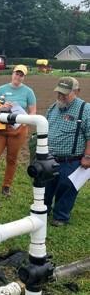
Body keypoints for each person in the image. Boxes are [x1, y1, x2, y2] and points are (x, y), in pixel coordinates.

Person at [45, 77, 90, 226]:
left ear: (76, 92)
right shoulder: (52, 108)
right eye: (59, 92)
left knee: (67, 188)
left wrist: (88, 156)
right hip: (50, 158)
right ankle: (43, 212)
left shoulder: (85, 109)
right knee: (46, 187)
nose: (61, 96)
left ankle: (61, 216)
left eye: (65, 93)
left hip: (71, 160)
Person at [0, 64, 36, 196]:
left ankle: (6, 186)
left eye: (21, 75)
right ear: (12, 73)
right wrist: (2, 107)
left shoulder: (28, 92)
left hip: (18, 130)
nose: (18, 76)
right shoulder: (1, 89)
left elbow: (33, 111)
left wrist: (25, 121)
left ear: (24, 77)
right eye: (17, 73)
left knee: (12, 158)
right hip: (1, 129)